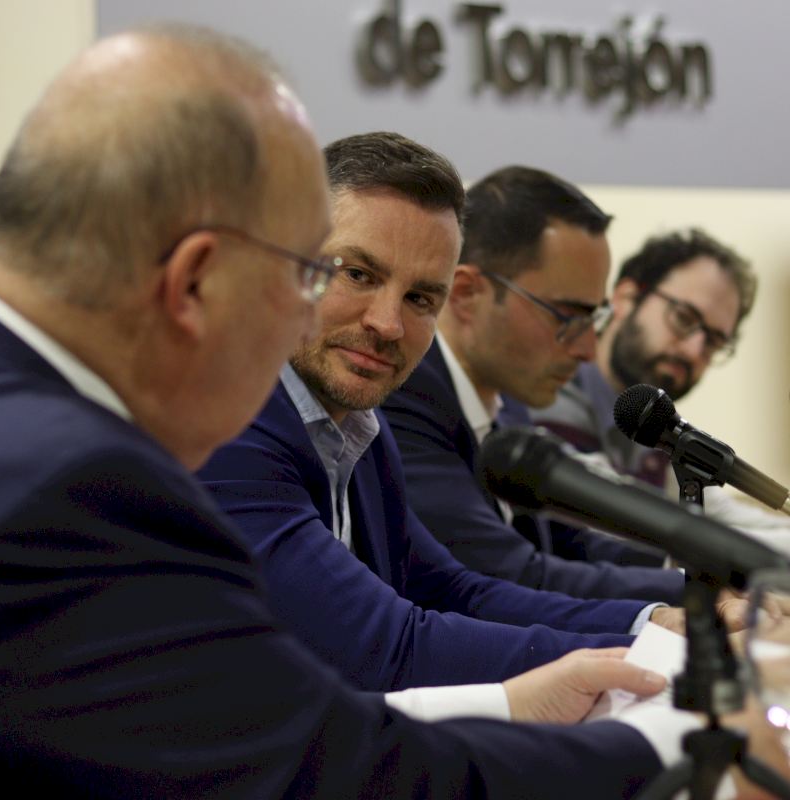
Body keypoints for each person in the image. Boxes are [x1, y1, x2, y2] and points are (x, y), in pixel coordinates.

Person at [0, 26, 773, 800]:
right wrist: (691, 747)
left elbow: (270, 730)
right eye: (311, 272)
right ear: (197, 277)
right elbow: (326, 769)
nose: (332, 317)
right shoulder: (66, 488)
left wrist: (541, 691)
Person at [197, 132, 691, 707]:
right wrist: (662, 658)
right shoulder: (225, 420)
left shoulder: (360, 426)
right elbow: (384, 648)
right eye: (357, 274)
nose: (387, 324)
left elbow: (452, 589)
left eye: (420, 299)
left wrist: (655, 622)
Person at [381, 166, 688, 600]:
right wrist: (692, 593)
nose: (587, 350)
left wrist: (702, 574)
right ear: (466, 293)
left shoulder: (506, 400)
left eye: (595, 318)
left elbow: (568, 544)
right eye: (567, 317)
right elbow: (507, 578)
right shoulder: (404, 394)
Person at [530, 229, 790, 548]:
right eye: (684, 318)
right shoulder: (551, 395)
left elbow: (728, 518)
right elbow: (615, 532)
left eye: (713, 341)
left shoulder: (652, 423)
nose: (694, 350)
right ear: (625, 297)